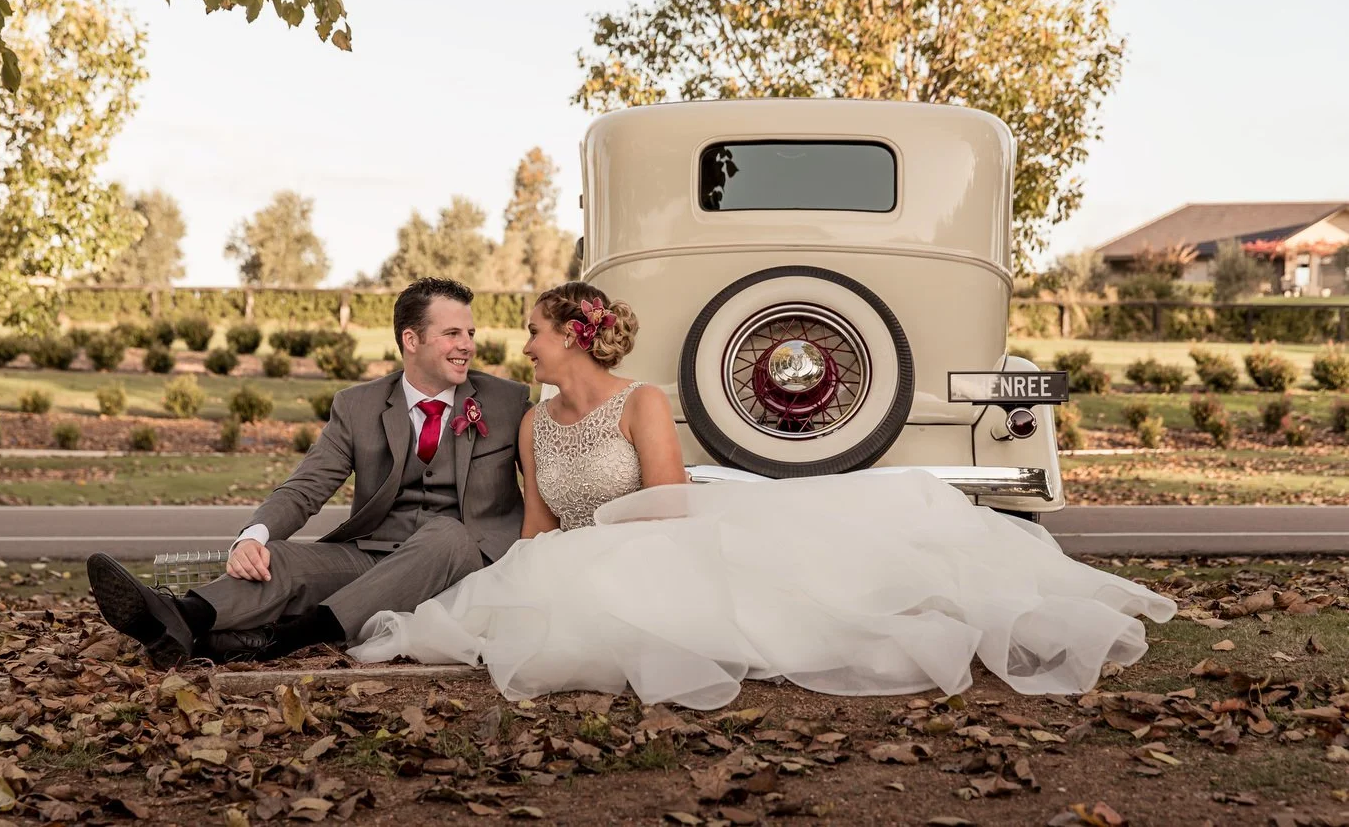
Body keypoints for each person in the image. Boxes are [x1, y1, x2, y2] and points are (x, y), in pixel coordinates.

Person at [348, 281, 1177, 710]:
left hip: (656, 543)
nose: (521, 344)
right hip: (576, 553)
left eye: (532, 329)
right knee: (510, 619)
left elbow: (669, 505)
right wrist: (514, 579)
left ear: (570, 337)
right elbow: (536, 526)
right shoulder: (533, 424)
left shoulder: (640, 403)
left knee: (826, 606)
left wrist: (592, 545)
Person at [85, 277, 533, 667]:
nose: (468, 345)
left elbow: (546, 478)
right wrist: (252, 537)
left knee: (445, 534)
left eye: (469, 333)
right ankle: (181, 618)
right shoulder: (358, 406)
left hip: (465, 562)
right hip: (374, 555)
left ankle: (287, 638)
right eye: (452, 333)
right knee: (278, 557)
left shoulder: (506, 401)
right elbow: (306, 486)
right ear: (411, 340)